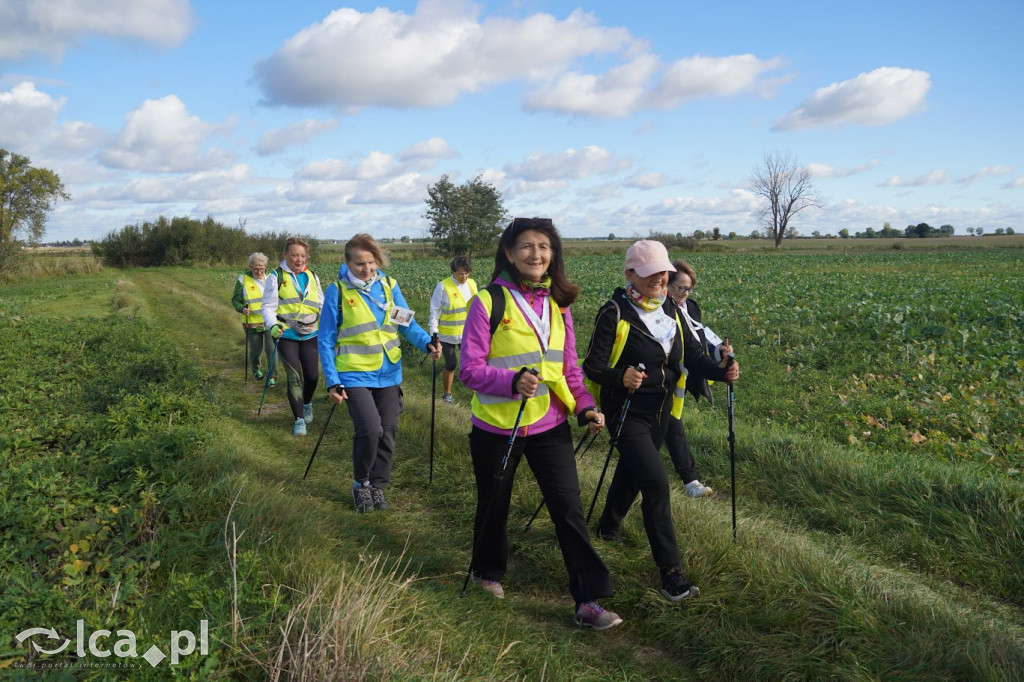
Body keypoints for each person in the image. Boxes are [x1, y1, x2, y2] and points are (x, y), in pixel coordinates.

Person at [459, 217, 622, 631]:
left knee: (569, 510)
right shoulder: (488, 301)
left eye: (545, 247)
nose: (537, 254)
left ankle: (588, 600)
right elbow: (469, 370)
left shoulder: (558, 305)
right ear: (510, 254)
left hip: (550, 425)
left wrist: (585, 406)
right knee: (494, 504)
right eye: (528, 247)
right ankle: (487, 572)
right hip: (498, 427)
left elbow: (568, 369)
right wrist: (511, 380)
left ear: (553, 256)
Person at [582, 240, 739, 602]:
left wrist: (721, 371)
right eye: (651, 272)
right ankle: (671, 574)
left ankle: (607, 527)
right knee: (655, 483)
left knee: (634, 472)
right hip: (626, 411)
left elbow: (694, 358)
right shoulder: (614, 312)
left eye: (664, 271)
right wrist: (620, 376)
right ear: (630, 274)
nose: (660, 277)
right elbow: (593, 365)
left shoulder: (671, 309)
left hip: (662, 412)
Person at [318, 234, 441, 514]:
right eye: (360, 263)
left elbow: (406, 323)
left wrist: (427, 344)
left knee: (388, 431)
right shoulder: (337, 292)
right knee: (370, 429)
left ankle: (378, 486)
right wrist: (332, 380)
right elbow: (325, 340)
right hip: (353, 374)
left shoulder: (388, 286)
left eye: (371, 262)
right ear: (347, 262)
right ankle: (361, 484)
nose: (366, 269)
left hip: (389, 372)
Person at [664, 258, 738, 497]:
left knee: (667, 427)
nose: (686, 292)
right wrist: (719, 371)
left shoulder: (691, 307)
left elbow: (701, 338)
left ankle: (683, 480)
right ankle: (690, 482)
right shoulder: (664, 309)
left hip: (682, 378)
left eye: (690, 288)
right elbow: (692, 353)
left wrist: (720, 354)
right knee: (671, 427)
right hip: (664, 377)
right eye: (681, 288)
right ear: (667, 284)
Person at [262, 237, 323, 437]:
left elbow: (321, 303)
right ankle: (298, 420)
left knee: (312, 376)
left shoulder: (313, 276)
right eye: (295, 255)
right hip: (286, 332)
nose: (299, 259)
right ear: (286, 255)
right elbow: (268, 307)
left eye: (303, 255)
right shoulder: (275, 276)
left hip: (310, 332)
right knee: (294, 377)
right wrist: (272, 325)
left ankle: (306, 403)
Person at [428, 255, 478, 404]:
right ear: (453, 271)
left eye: (467, 273)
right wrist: (433, 336)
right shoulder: (443, 286)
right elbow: (434, 312)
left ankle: (476, 393)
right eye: (460, 273)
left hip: (467, 334)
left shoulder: (472, 284)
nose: (464, 276)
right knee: (451, 364)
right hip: (447, 335)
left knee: (472, 363)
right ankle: (447, 394)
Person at [232, 252, 278, 386]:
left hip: (270, 322)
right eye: (256, 268)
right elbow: (236, 300)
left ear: (266, 267)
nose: (259, 271)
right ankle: (256, 369)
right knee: (256, 351)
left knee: (271, 349)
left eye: (262, 268)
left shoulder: (272, 278)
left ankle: (273, 377)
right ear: (250, 267)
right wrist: (242, 309)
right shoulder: (243, 280)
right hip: (251, 323)